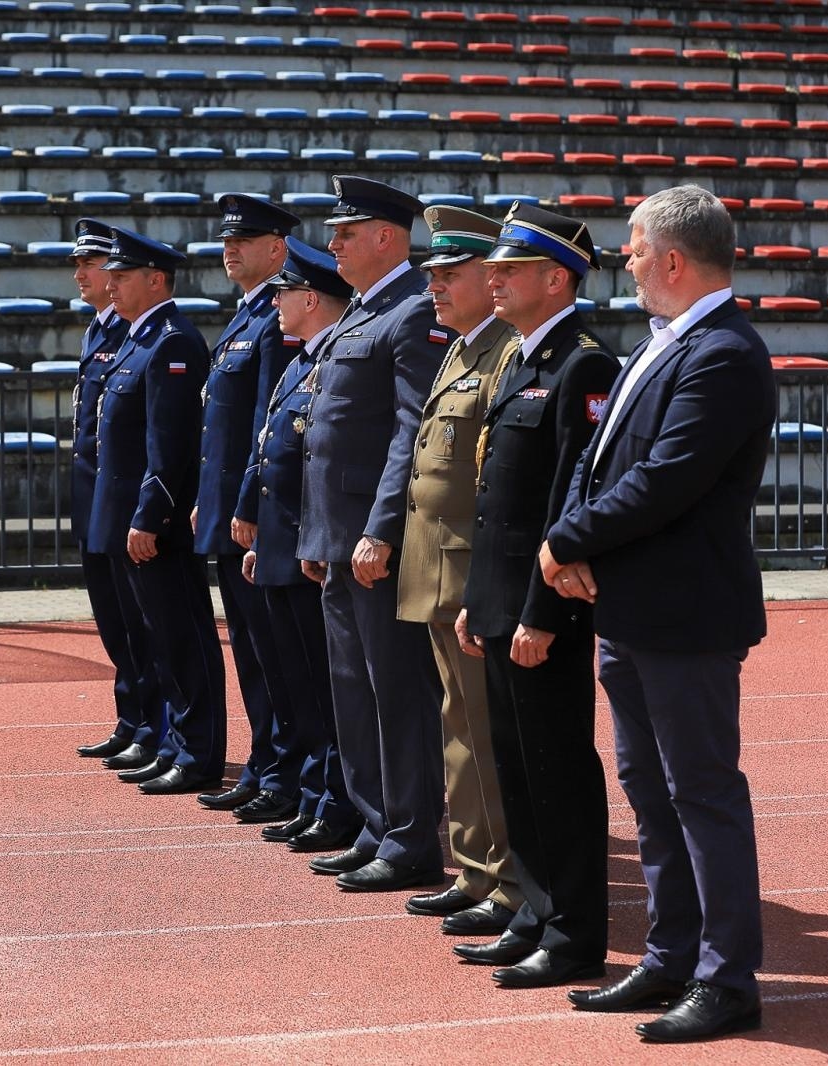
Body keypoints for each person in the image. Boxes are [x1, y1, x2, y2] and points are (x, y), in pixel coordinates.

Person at [542, 184, 774, 1042]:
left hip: (684, 616)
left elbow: (667, 479)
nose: (627, 263)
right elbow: (598, 464)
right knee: (651, 793)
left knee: (702, 794)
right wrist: (570, 541)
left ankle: (727, 978)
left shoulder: (723, 352)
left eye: (635, 250)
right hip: (631, 611)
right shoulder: (665, 342)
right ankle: (672, 956)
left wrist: (565, 541)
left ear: (673, 259)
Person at [449, 202, 621, 990]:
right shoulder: (522, 360)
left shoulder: (582, 365)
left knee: (557, 773)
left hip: (540, 612)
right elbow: (496, 500)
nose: (493, 276)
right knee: (516, 769)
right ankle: (533, 912)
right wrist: (480, 599)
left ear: (557, 279)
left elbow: (567, 505)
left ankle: (574, 933)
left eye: (509, 269)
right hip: (500, 602)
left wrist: (541, 614)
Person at [298, 175, 449, 892]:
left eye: (346, 232)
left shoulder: (413, 311)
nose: (333, 244)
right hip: (337, 537)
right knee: (353, 692)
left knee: (397, 693)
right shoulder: (365, 313)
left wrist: (382, 529)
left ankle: (412, 836)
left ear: (386, 237)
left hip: (374, 543)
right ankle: (374, 823)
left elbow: (410, 429)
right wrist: (318, 535)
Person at [394, 206, 524, 937]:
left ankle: (505, 881)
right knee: (460, 731)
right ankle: (476, 870)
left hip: (471, 574)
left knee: (485, 734)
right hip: (438, 572)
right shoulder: (460, 347)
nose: (436, 288)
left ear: (490, 277)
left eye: (450, 275)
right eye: (433, 275)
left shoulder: (505, 353)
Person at [87, 227, 227, 796]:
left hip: (153, 523)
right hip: (125, 517)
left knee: (180, 639)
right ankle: (173, 743)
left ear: (156, 280)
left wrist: (149, 515)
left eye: (122, 276)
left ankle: (197, 753)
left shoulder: (171, 340)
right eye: (111, 275)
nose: (110, 284)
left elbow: (167, 445)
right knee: (154, 639)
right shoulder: (136, 338)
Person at [240, 239, 361, 854]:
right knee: (297, 685)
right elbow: (272, 452)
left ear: (311, 297)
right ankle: (314, 793)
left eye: (283, 292)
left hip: (310, 546)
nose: (275, 302)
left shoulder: (333, 356)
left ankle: (335, 801)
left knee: (323, 685)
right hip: (284, 544)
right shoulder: (299, 360)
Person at [192, 195, 305, 826]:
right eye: (227, 240)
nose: (231, 249)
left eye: (247, 239)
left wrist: (244, 505)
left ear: (278, 248)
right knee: (253, 651)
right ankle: (267, 762)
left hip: (254, 514)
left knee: (273, 654)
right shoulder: (247, 315)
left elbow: (268, 426)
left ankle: (283, 771)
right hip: (232, 513)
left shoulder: (275, 320)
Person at [64, 218, 162, 770]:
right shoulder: (100, 328)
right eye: (79, 264)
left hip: (122, 499)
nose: (81, 273)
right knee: (114, 621)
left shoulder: (134, 330)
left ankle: (153, 725)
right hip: (95, 497)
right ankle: (133, 719)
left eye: (91, 264)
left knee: (140, 625)